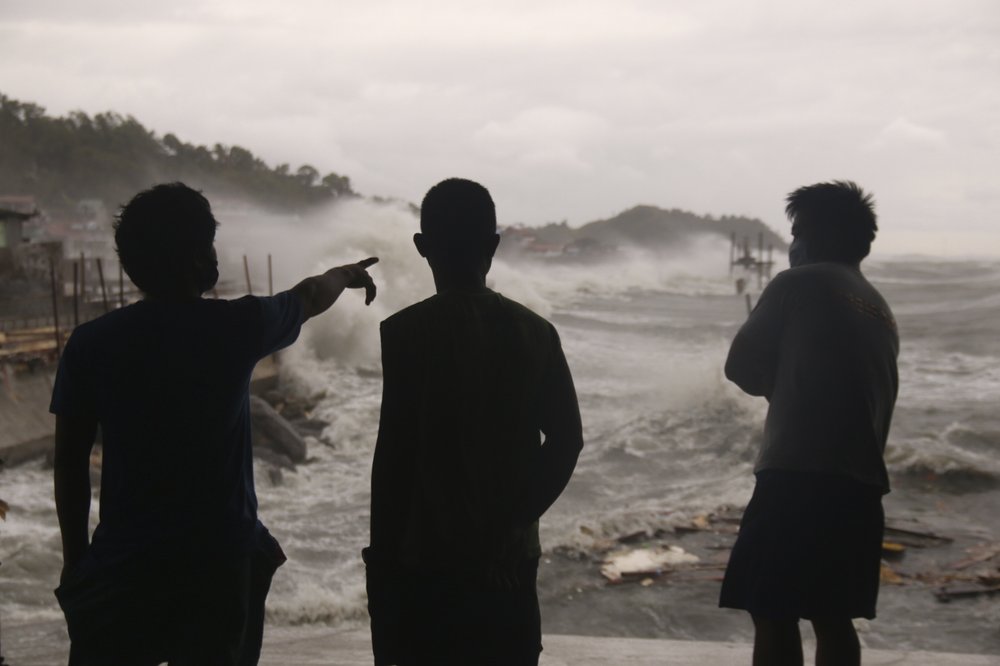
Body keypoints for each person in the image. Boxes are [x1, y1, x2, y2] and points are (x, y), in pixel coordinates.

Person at [51, 182, 378, 666]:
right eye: (207, 244)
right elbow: (309, 296)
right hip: (218, 564)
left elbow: (70, 464)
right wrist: (345, 273)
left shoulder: (92, 344)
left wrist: (77, 565)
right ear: (196, 259)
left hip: (124, 568)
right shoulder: (236, 327)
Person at [363, 178, 583, 666]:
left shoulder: (404, 333)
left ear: (423, 247)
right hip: (510, 560)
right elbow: (568, 441)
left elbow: (395, 457)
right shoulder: (535, 332)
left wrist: (380, 562)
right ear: (493, 246)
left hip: (425, 561)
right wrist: (511, 526)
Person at [719, 181, 899, 666]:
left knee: (772, 610)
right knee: (832, 616)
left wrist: (782, 389)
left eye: (796, 233)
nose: (792, 245)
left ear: (818, 237)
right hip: (860, 489)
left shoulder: (797, 283)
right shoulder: (880, 308)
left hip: (798, 477)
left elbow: (739, 367)